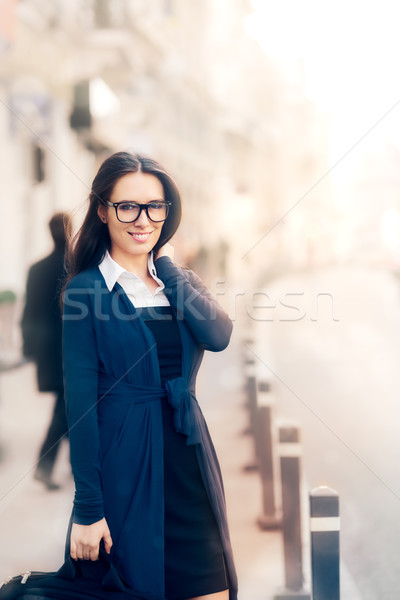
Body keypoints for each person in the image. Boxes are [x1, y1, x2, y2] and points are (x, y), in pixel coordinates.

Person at [62, 152, 238, 600]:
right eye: (128, 206)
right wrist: (88, 508)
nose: (143, 219)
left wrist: (169, 270)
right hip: (127, 470)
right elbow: (80, 405)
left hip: (189, 462)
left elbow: (218, 335)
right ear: (103, 211)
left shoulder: (178, 279)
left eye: (155, 206)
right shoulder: (88, 290)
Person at [21, 212, 71, 491]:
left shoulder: (36, 269)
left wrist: (30, 350)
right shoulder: (75, 267)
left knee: (68, 407)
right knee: (67, 409)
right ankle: (45, 465)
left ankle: (74, 466)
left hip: (47, 354)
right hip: (70, 352)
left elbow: (28, 313)